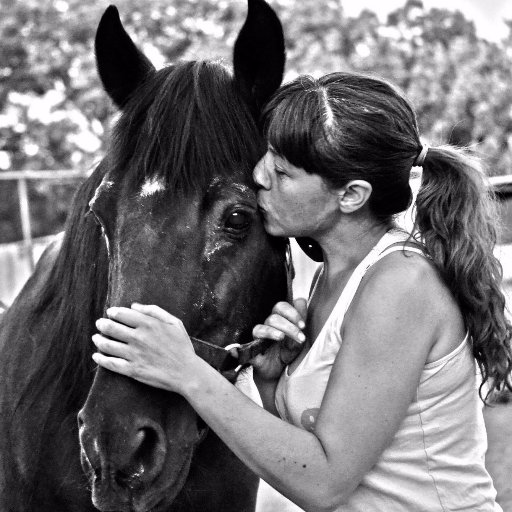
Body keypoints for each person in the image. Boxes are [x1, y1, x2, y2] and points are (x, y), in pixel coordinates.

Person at [91, 72, 511, 511]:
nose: (258, 175)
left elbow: (325, 482)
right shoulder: (331, 277)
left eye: (282, 170)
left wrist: (188, 372)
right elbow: (308, 447)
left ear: (351, 194)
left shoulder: (401, 285)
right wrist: (274, 381)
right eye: (267, 156)